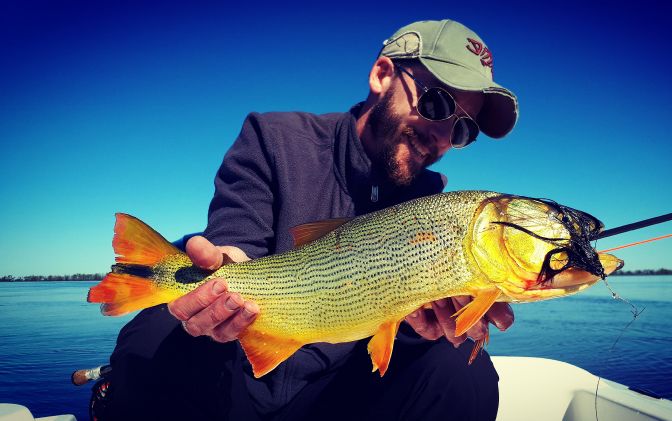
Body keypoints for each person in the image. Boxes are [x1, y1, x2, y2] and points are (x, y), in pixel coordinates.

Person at [98, 19, 519, 420]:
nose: (443, 136)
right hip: (236, 377)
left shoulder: (430, 203)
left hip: (337, 394)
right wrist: (224, 265)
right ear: (381, 75)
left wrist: (431, 325)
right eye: (437, 103)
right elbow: (235, 237)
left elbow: (394, 330)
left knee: (464, 370)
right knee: (155, 335)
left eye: (463, 130)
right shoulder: (275, 139)